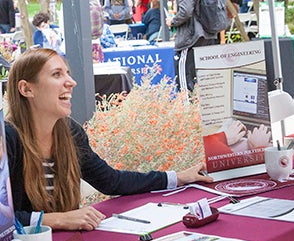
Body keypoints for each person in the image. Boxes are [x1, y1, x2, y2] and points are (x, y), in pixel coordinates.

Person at [5, 48, 212, 231]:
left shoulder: (69, 133)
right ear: (26, 89)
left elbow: (111, 181)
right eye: (57, 74)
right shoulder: (7, 139)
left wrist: (178, 177)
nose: (71, 82)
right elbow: (3, 220)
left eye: (67, 73)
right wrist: (58, 220)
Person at [166, 0, 219, 92]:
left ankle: (188, 112)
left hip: (191, 38)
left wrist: (172, 21)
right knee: (201, 81)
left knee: (186, 82)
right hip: (206, 34)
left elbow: (185, 12)